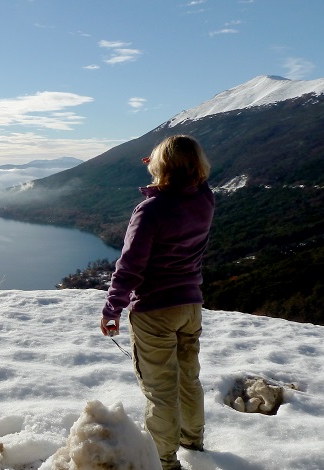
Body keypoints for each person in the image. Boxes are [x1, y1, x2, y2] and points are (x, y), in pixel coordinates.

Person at [100, 135, 214, 470]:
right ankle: (193, 442)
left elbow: (130, 266)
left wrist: (112, 308)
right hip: (190, 305)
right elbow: (194, 181)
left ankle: (164, 461)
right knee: (188, 379)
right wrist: (165, 163)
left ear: (161, 166)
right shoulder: (205, 200)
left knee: (161, 390)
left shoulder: (151, 210)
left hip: (155, 310)